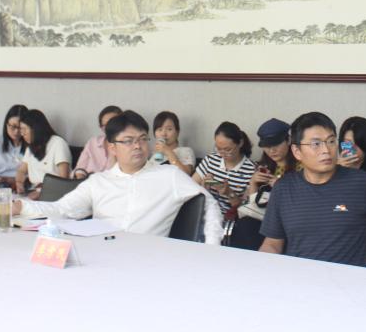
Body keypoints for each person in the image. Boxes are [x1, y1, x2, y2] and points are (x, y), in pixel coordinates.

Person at [13, 111, 223, 244]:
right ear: (112, 148)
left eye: (142, 139)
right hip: (101, 256)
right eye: (129, 141)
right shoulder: (98, 182)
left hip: (149, 260)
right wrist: (21, 206)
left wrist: (212, 245)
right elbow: (62, 209)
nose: (138, 146)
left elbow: (209, 203)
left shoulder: (169, 176)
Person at [259, 111, 366, 269]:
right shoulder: (283, 188)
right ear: (297, 151)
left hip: (347, 279)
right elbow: (272, 243)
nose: (326, 150)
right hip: (298, 276)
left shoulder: (361, 182)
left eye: (331, 141)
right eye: (316, 144)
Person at [230, 117, 297, 250]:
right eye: (267, 146)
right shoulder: (264, 166)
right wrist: (253, 183)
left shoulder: (301, 167)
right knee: (245, 223)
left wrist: (282, 187)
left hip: (286, 221)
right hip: (262, 218)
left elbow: (304, 201)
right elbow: (252, 207)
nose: (272, 150)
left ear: (288, 140)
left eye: (276, 144)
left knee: (247, 226)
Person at [193, 121, 256, 217]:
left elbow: (245, 211)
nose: (222, 153)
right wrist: (204, 188)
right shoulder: (210, 160)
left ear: (240, 143)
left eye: (228, 149)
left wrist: (229, 193)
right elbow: (190, 187)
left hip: (228, 219)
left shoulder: (251, 170)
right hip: (203, 214)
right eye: (218, 148)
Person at [15, 108, 71, 199]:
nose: (22, 133)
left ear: (36, 128)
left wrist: (41, 192)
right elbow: (21, 170)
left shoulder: (58, 143)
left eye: (25, 129)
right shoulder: (31, 147)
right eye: (21, 129)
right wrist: (19, 183)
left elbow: (64, 179)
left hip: (53, 195)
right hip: (33, 192)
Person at [73, 104, 121, 178]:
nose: (109, 127)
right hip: (86, 181)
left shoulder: (127, 146)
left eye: (113, 123)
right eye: (105, 125)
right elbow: (80, 168)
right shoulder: (93, 142)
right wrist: (82, 182)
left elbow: (118, 175)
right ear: (101, 128)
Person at [150, 111, 195, 175]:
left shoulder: (186, 151)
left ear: (177, 132)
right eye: (160, 129)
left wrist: (168, 152)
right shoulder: (154, 156)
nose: (163, 134)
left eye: (169, 129)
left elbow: (186, 174)